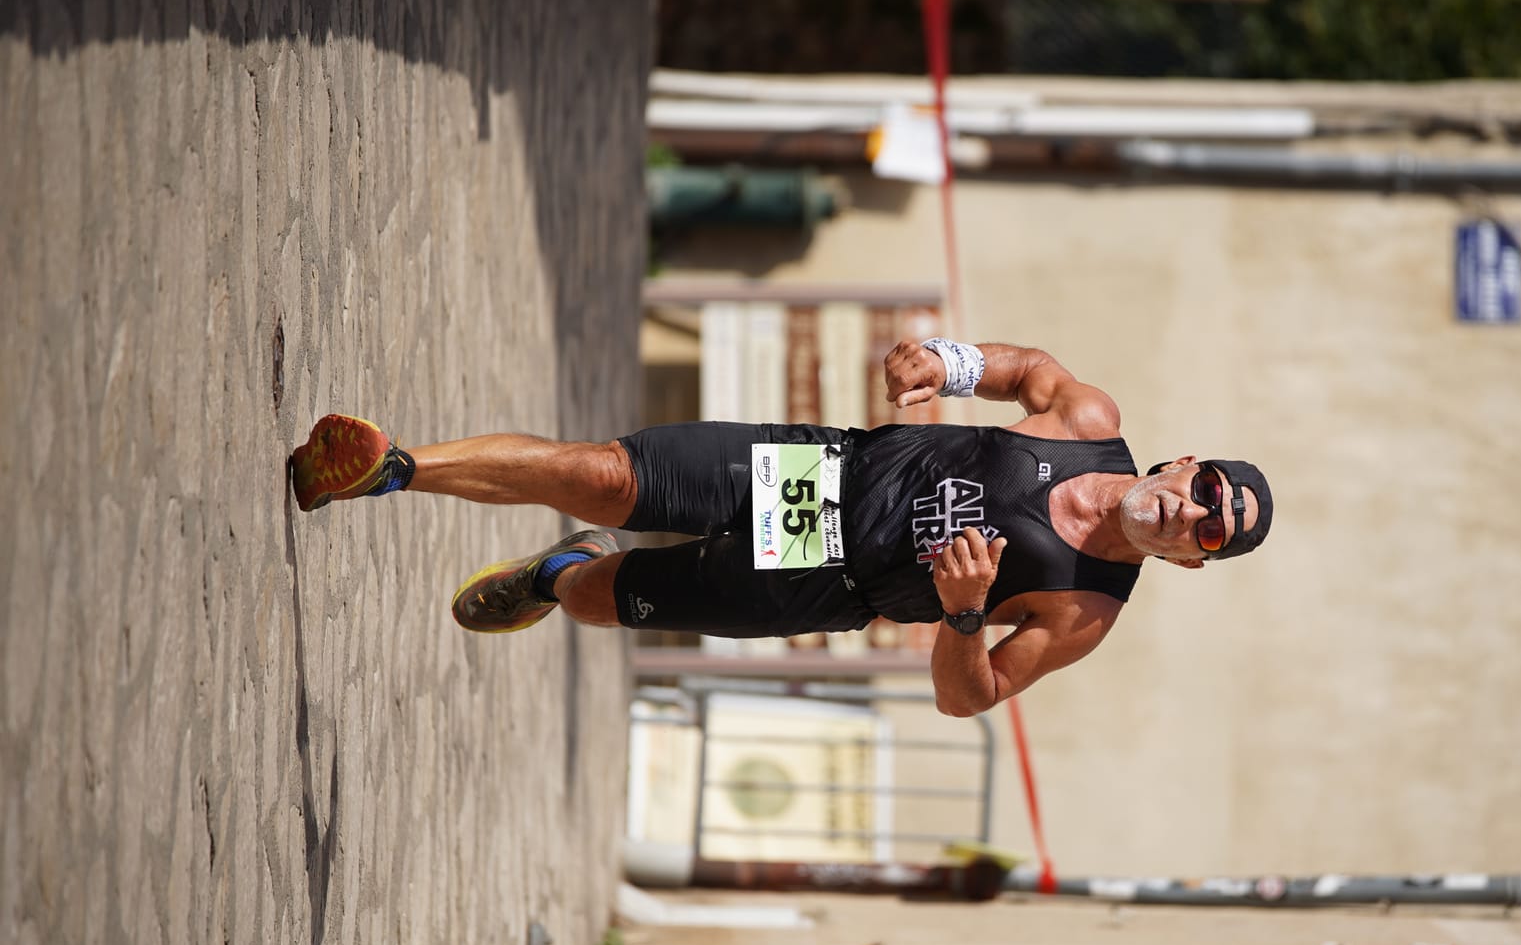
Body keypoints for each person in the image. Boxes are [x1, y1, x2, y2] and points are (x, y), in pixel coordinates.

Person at [290, 338, 1273, 715]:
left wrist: (967, 615)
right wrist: (945, 361)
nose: (1191, 513)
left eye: (1208, 531)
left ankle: (556, 578)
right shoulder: (1090, 424)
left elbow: (967, 701)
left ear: (1190, 561)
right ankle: (395, 468)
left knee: (604, 598)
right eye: (1206, 490)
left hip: (819, 584)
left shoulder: (1084, 613)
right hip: (816, 473)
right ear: (1181, 465)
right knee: (602, 473)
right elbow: (1032, 371)